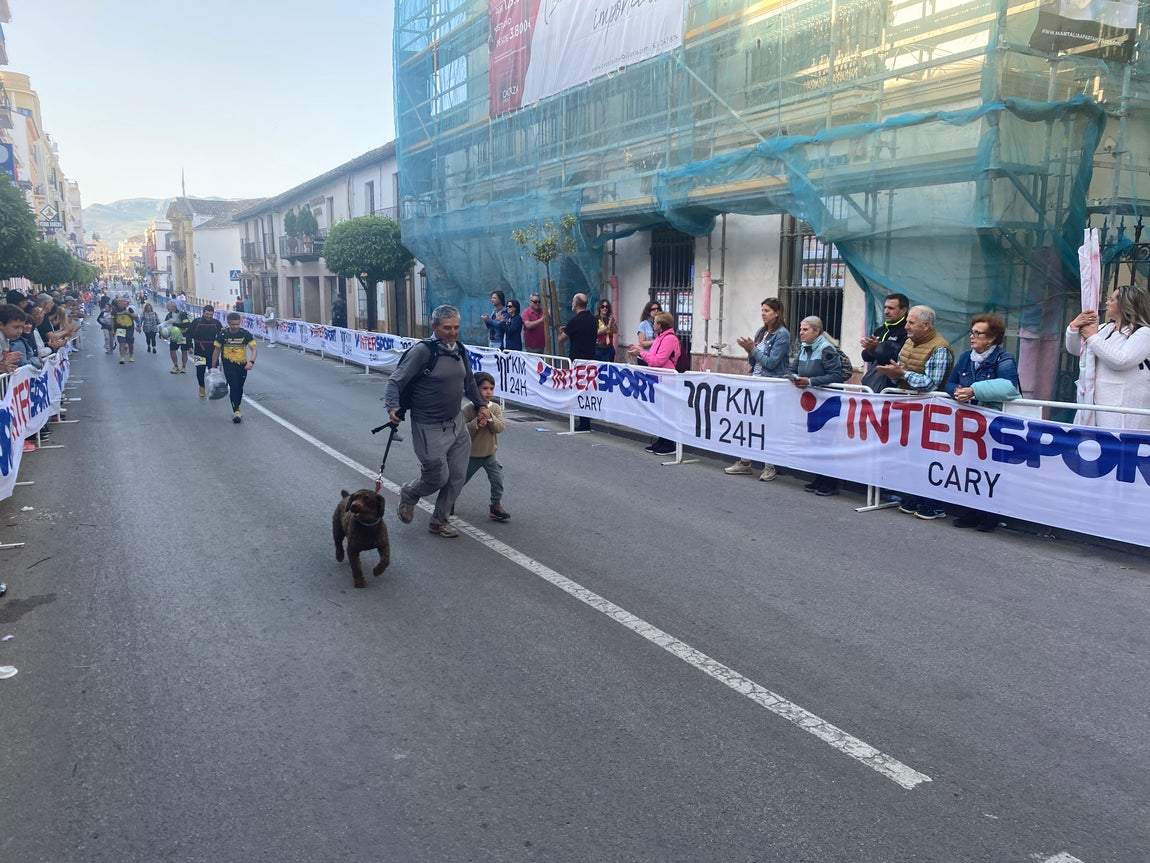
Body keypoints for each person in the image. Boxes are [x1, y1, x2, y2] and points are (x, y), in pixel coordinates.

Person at [384, 304, 491, 538]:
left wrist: (480, 405)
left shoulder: (459, 349)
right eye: (447, 328)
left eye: (456, 328)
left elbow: (469, 382)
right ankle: (410, 494)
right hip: (428, 425)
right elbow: (395, 381)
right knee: (437, 477)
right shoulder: (423, 351)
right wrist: (392, 407)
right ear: (434, 327)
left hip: (456, 423)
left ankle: (439, 521)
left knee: (456, 477)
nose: (452, 333)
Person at [876, 305, 955, 519]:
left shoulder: (939, 348)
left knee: (930, 457)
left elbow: (931, 383)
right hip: (909, 407)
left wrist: (902, 373)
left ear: (926, 325)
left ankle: (934, 503)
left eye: (911, 322)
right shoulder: (909, 342)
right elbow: (902, 373)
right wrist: (894, 374)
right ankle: (914, 496)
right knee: (910, 455)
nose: (906, 326)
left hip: (933, 413)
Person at [945, 314, 1021, 531]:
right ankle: (970, 511)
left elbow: (1008, 387)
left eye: (978, 333)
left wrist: (973, 390)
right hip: (970, 423)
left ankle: (991, 515)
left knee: (993, 469)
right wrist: (958, 392)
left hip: (995, 423)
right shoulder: (966, 357)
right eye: (972, 332)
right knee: (971, 467)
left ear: (992, 338)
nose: (972, 337)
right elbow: (951, 382)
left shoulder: (1004, 358)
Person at [1066, 283, 1150, 430]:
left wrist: (1092, 337)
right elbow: (1076, 350)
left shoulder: (1144, 333)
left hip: (1126, 407)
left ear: (1125, 304)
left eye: (1112, 300)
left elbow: (1122, 360)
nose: (1107, 302)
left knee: (1120, 448)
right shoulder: (1104, 328)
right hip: (1096, 403)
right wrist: (1073, 327)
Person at [726, 297, 791, 481]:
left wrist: (753, 349)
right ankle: (745, 462)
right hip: (756, 381)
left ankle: (770, 465)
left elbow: (772, 363)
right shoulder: (761, 332)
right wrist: (750, 351)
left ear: (777, 313)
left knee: (768, 425)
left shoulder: (782, 335)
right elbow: (755, 361)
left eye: (767, 310)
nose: (763, 314)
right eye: (762, 310)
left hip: (771, 384)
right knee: (749, 421)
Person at [788, 316, 844, 495]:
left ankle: (831, 483)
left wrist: (810, 381)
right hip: (812, 403)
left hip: (828, 402)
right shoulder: (804, 349)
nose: (801, 333)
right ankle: (819, 478)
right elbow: (792, 369)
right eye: (800, 329)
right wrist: (794, 378)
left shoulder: (826, 349)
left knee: (826, 443)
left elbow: (836, 376)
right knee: (815, 442)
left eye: (805, 330)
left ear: (816, 331)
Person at [626, 311, 681, 455]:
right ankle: (661, 440)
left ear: (661, 325)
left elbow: (658, 360)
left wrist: (641, 353)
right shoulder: (659, 338)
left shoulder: (669, 339)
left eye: (656, 322)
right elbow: (652, 356)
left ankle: (669, 443)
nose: (653, 324)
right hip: (658, 378)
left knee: (667, 411)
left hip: (667, 379)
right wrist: (640, 352)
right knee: (660, 411)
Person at [462, 371, 511, 522]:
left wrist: (490, 418)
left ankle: (495, 505)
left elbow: (500, 427)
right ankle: (447, 502)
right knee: (459, 481)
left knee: (497, 479)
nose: (488, 392)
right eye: (484, 388)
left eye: (491, 388)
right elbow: (460, 431)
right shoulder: (468, 409)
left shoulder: (494, 408)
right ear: (475, 391)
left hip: (490, 454)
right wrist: (475, 423)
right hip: (471, 455)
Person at [558, 293, 598, 431]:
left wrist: (562, 332)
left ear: (575, 304)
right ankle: (586, 420)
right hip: (591, 359)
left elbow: (561, 339)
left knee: (578, 391)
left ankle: (583, 422)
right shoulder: (592, 320)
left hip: (578, 361)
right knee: (587, 391)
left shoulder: (575, 321)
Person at [211, 312, 258, 423]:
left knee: (240, 388)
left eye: (237, 324)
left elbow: (254, 349)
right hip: (228, 364)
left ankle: (238, 405)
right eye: (233, 324)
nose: (235, 327)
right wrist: (213, 366)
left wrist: (251, 362)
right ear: (229, 323)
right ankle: (236, 410)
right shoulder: (223, 334)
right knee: (234, 386)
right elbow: (216, 350)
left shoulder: (245, 334)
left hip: (242, 365)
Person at [859, 293, 909, 392]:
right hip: (874, 383)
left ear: (903, 310)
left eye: (891, 308)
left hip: (895, 387)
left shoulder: (906, 332)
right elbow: (866, 357)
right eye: (885, 307)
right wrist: (871, 350)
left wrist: (879, 350)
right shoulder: (880, 331)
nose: (886, 312)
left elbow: (899, 358)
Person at [186, 306, 223, 396]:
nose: (209, 316)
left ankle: (214, 388)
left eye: (211, 314)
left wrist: (223, 349)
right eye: (207, 314)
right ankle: (201, 387)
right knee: (200, 371)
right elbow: (188, 335)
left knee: (213, 370)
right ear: (203, 313)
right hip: (199, 351)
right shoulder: (196, 322)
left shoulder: (216, 323)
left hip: (213, 351)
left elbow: (222, 336)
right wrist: (190, 346)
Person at [164, 301, 191, 374]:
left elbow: (187, 324)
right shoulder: (169, 315)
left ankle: (184, 367)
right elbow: (165, 324)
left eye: (168, 307)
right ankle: (175, 366)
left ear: (173, 307)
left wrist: (175, 324)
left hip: (182, 335)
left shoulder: (182, 314)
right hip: (173, 336)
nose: (167, 309)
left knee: (184, 351)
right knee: (172, 351)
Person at [112, 297, 139, 364]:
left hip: (129, 328)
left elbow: (136, 317)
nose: (120, 303)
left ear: (125, 302)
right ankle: (122, 357)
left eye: (122, 302)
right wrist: (112, 329)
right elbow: (112, 320)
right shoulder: (114, 311)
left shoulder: (129, 309)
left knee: (130, 343)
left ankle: (131, 355)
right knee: (122, 343)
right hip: (120, 328)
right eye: (119, 302)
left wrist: (129, 313)